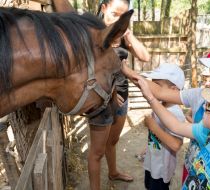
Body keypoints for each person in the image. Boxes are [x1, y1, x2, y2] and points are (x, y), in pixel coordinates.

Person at [51, 0, 150, 189]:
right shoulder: (90, 32)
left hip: (121, 98)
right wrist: (111, 93)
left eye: (123, 15)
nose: (117, 20)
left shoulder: (122, 33)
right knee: (96, 153)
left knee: (112, 141)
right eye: (114, 13)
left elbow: (145, 57)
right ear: (104, 8)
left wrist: (128, 34)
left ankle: (113, 172)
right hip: (100, 102)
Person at [122, 45, 210, 183]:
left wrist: (153, 124)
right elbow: (175, 123)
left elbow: (176, 138)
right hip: (192, 167)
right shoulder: (204, 129)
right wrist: (129, 73)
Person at [142, 63, 186, 190]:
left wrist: (153, 127)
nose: (151, 89)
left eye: (157, 86)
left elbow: (175, 145)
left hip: (162, 168)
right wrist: (147, 147)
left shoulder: (176, 113)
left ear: (173, 90)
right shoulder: (159, 105)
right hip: (152, 160)